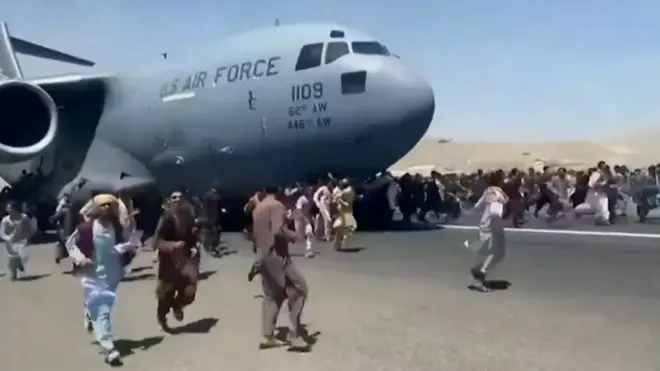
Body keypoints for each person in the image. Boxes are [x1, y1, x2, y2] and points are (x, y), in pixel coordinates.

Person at [65, 194, 139, 365]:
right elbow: (70, 243)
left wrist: (124, 246)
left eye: (109, 205)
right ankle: (109, 347)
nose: (106, 208)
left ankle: (89, 313)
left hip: (113, 273)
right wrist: (81, 258)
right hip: (93, 273)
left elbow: (130, 242)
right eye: (102, 205)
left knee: (103, 307)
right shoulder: (86, 228)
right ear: (96, 208)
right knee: (103, 309)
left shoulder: (117, 227)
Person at [250, 185, 309, 349]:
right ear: (279, 193)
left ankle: (268, 336)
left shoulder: (258, 208)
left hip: (263, 256)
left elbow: (255, 235)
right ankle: (294, 335)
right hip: (278, 256)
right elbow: (278, 230)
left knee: (272, 295)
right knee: (300, 289)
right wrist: (295, 236)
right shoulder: (277, 206)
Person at [153, 191, 200, 332]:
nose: (177, 200)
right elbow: (157, 241)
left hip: (185, 261)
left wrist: (195, 245)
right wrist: (172, 245)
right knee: (165, 294)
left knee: (189, 292)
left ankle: (177, 306)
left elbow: (192, 236)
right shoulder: (166, 218)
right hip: (169, 262)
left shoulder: (188, 217)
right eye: (174, 198)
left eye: (180, 197)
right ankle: (162, 317)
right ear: (170, 201)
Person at [464, 172, 508, 293]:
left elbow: (478, 206)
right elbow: (495, 211)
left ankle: (479, 270)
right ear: (499, 180)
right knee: (496, 253)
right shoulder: (496, 193)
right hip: (492, 225)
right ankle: (481, 275)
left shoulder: (489, 191)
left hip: (485, 225)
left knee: (494, 253)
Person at [0, 201, 33, 280]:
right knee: (12, 257)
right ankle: (14, 274)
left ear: (15, 209)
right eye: (7, 208)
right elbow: (2, 232)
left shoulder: (24, 218)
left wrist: (27, 238)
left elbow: (29, 229)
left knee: (22, 256)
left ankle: (19, 263)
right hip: (9, 242)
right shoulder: (5, 220)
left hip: (21, 241)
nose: (7, 209)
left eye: (9, 208)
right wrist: (8, 238)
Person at [332, 179, 357, 251]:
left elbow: (347, 204)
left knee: (340, 228)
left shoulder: (348, 192)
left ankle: (341, 244)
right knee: (339, 229)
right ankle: (338, 244)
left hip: (346, 214)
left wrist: (339, 200)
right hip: (343, 213)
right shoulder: (348, 191)